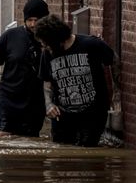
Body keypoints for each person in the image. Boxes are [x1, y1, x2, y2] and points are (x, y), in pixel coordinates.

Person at [35, 14, 118, 147]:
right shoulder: (47, 53)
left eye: (47, 43)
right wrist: (48, 104)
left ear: (57, 39)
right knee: (61, 156)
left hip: (93, 114)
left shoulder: (91, 45)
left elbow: (113, 62)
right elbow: (46, 82)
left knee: (87, 155)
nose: (45, 47)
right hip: (62, 115)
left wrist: (116, 98)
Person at [0, 0, 49, 137]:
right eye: (29, 20)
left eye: (37, 20)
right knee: (0, 136)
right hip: (8, 98)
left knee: (28, 142)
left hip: (34, 101)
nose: (33, 24)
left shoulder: (49, 41)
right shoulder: (10, 36)